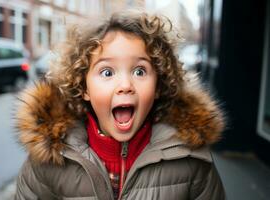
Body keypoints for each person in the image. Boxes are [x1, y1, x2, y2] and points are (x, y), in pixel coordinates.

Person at [14, 10, 226, 200]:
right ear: (84, 87)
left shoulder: (190, 160)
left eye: (139, 71)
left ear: (158, 85)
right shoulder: (50, 160)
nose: (125, 85)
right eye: (107, 72)